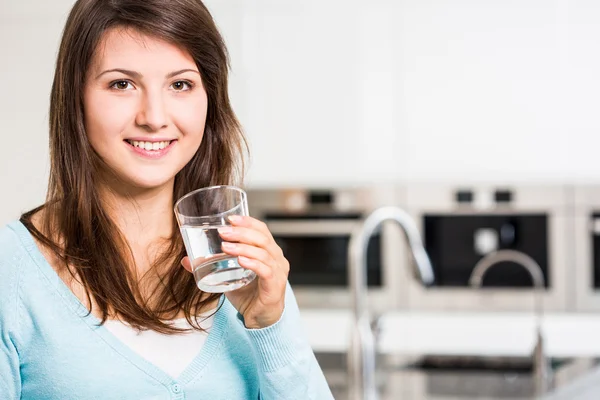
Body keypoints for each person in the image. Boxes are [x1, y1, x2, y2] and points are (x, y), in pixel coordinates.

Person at [0, 0, 334, 399]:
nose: (154, 117)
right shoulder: (12, 271)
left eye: (180, 84)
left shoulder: (244, 266)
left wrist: (268, 322)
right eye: (121, 84)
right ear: (76, 98)